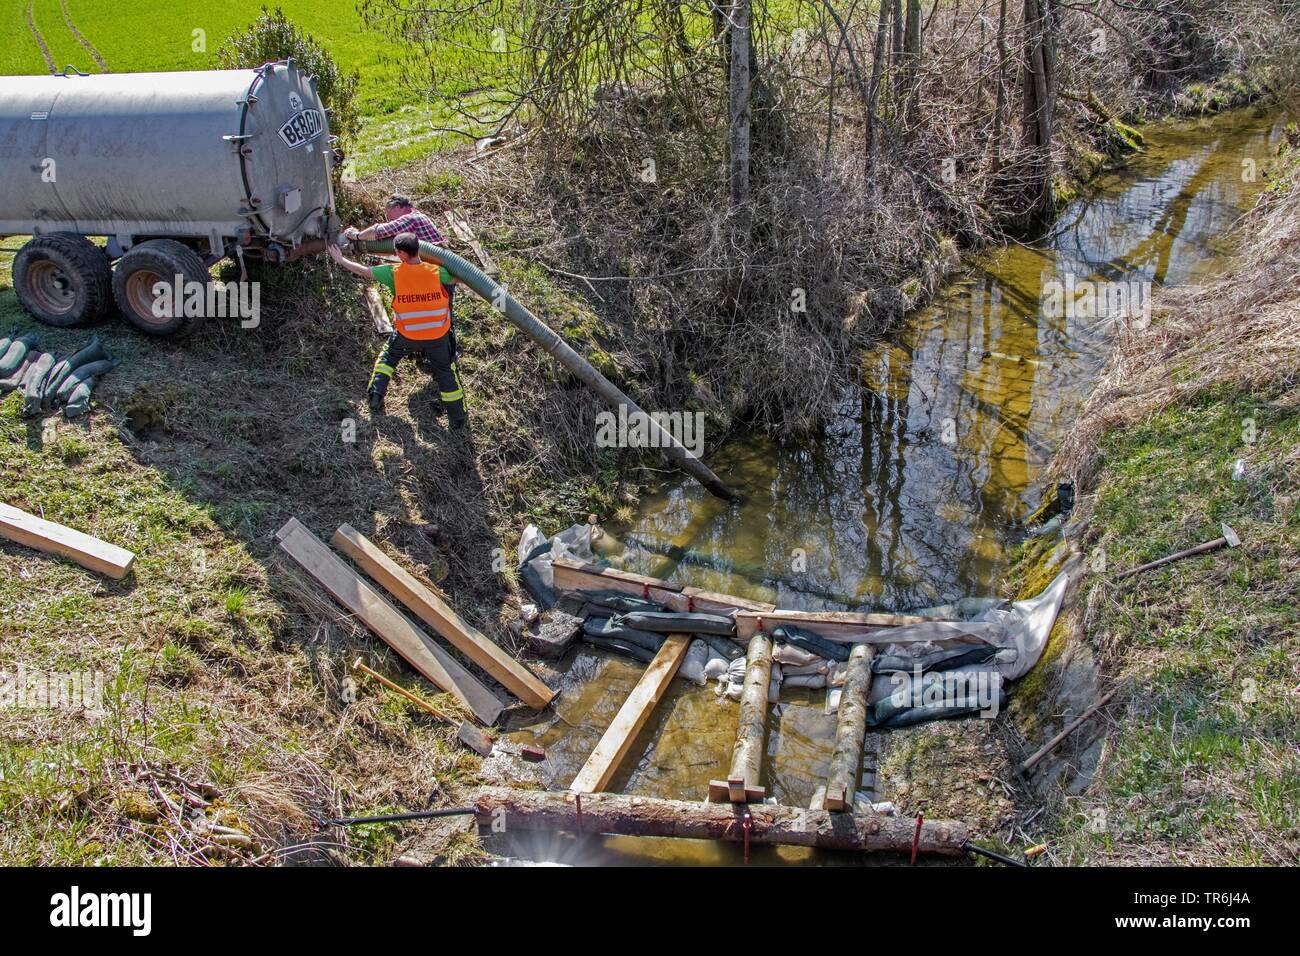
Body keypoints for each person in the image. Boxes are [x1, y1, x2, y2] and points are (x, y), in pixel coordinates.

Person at [328, 233, 467, 429]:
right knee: (444, 371)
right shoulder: (437, 272)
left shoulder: (393, 273)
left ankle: (376, 396)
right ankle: (457, 418)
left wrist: (341, 259)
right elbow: (463, 277)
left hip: (408, 335)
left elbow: (365, 271)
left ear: (401, 253)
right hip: (437, 336)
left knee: (388, 357)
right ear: (419, 249)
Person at [342, 195, 447, 246]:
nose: (389, 218)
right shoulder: (419, 216)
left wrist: (357, 235)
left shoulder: (410, 219)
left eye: (389, 213)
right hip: (441, 270)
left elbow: (378, 231)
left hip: (437, 273)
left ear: (397, 207)